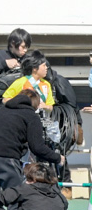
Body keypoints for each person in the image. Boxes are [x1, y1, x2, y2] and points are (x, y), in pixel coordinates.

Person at [45, 61, 82, 200]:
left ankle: (66, 186)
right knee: (49, 152)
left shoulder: (59, 82)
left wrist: (76, 125)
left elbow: (72, 106)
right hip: (49, 123)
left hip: (63, 124)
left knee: (59, 152)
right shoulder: (41, 83)